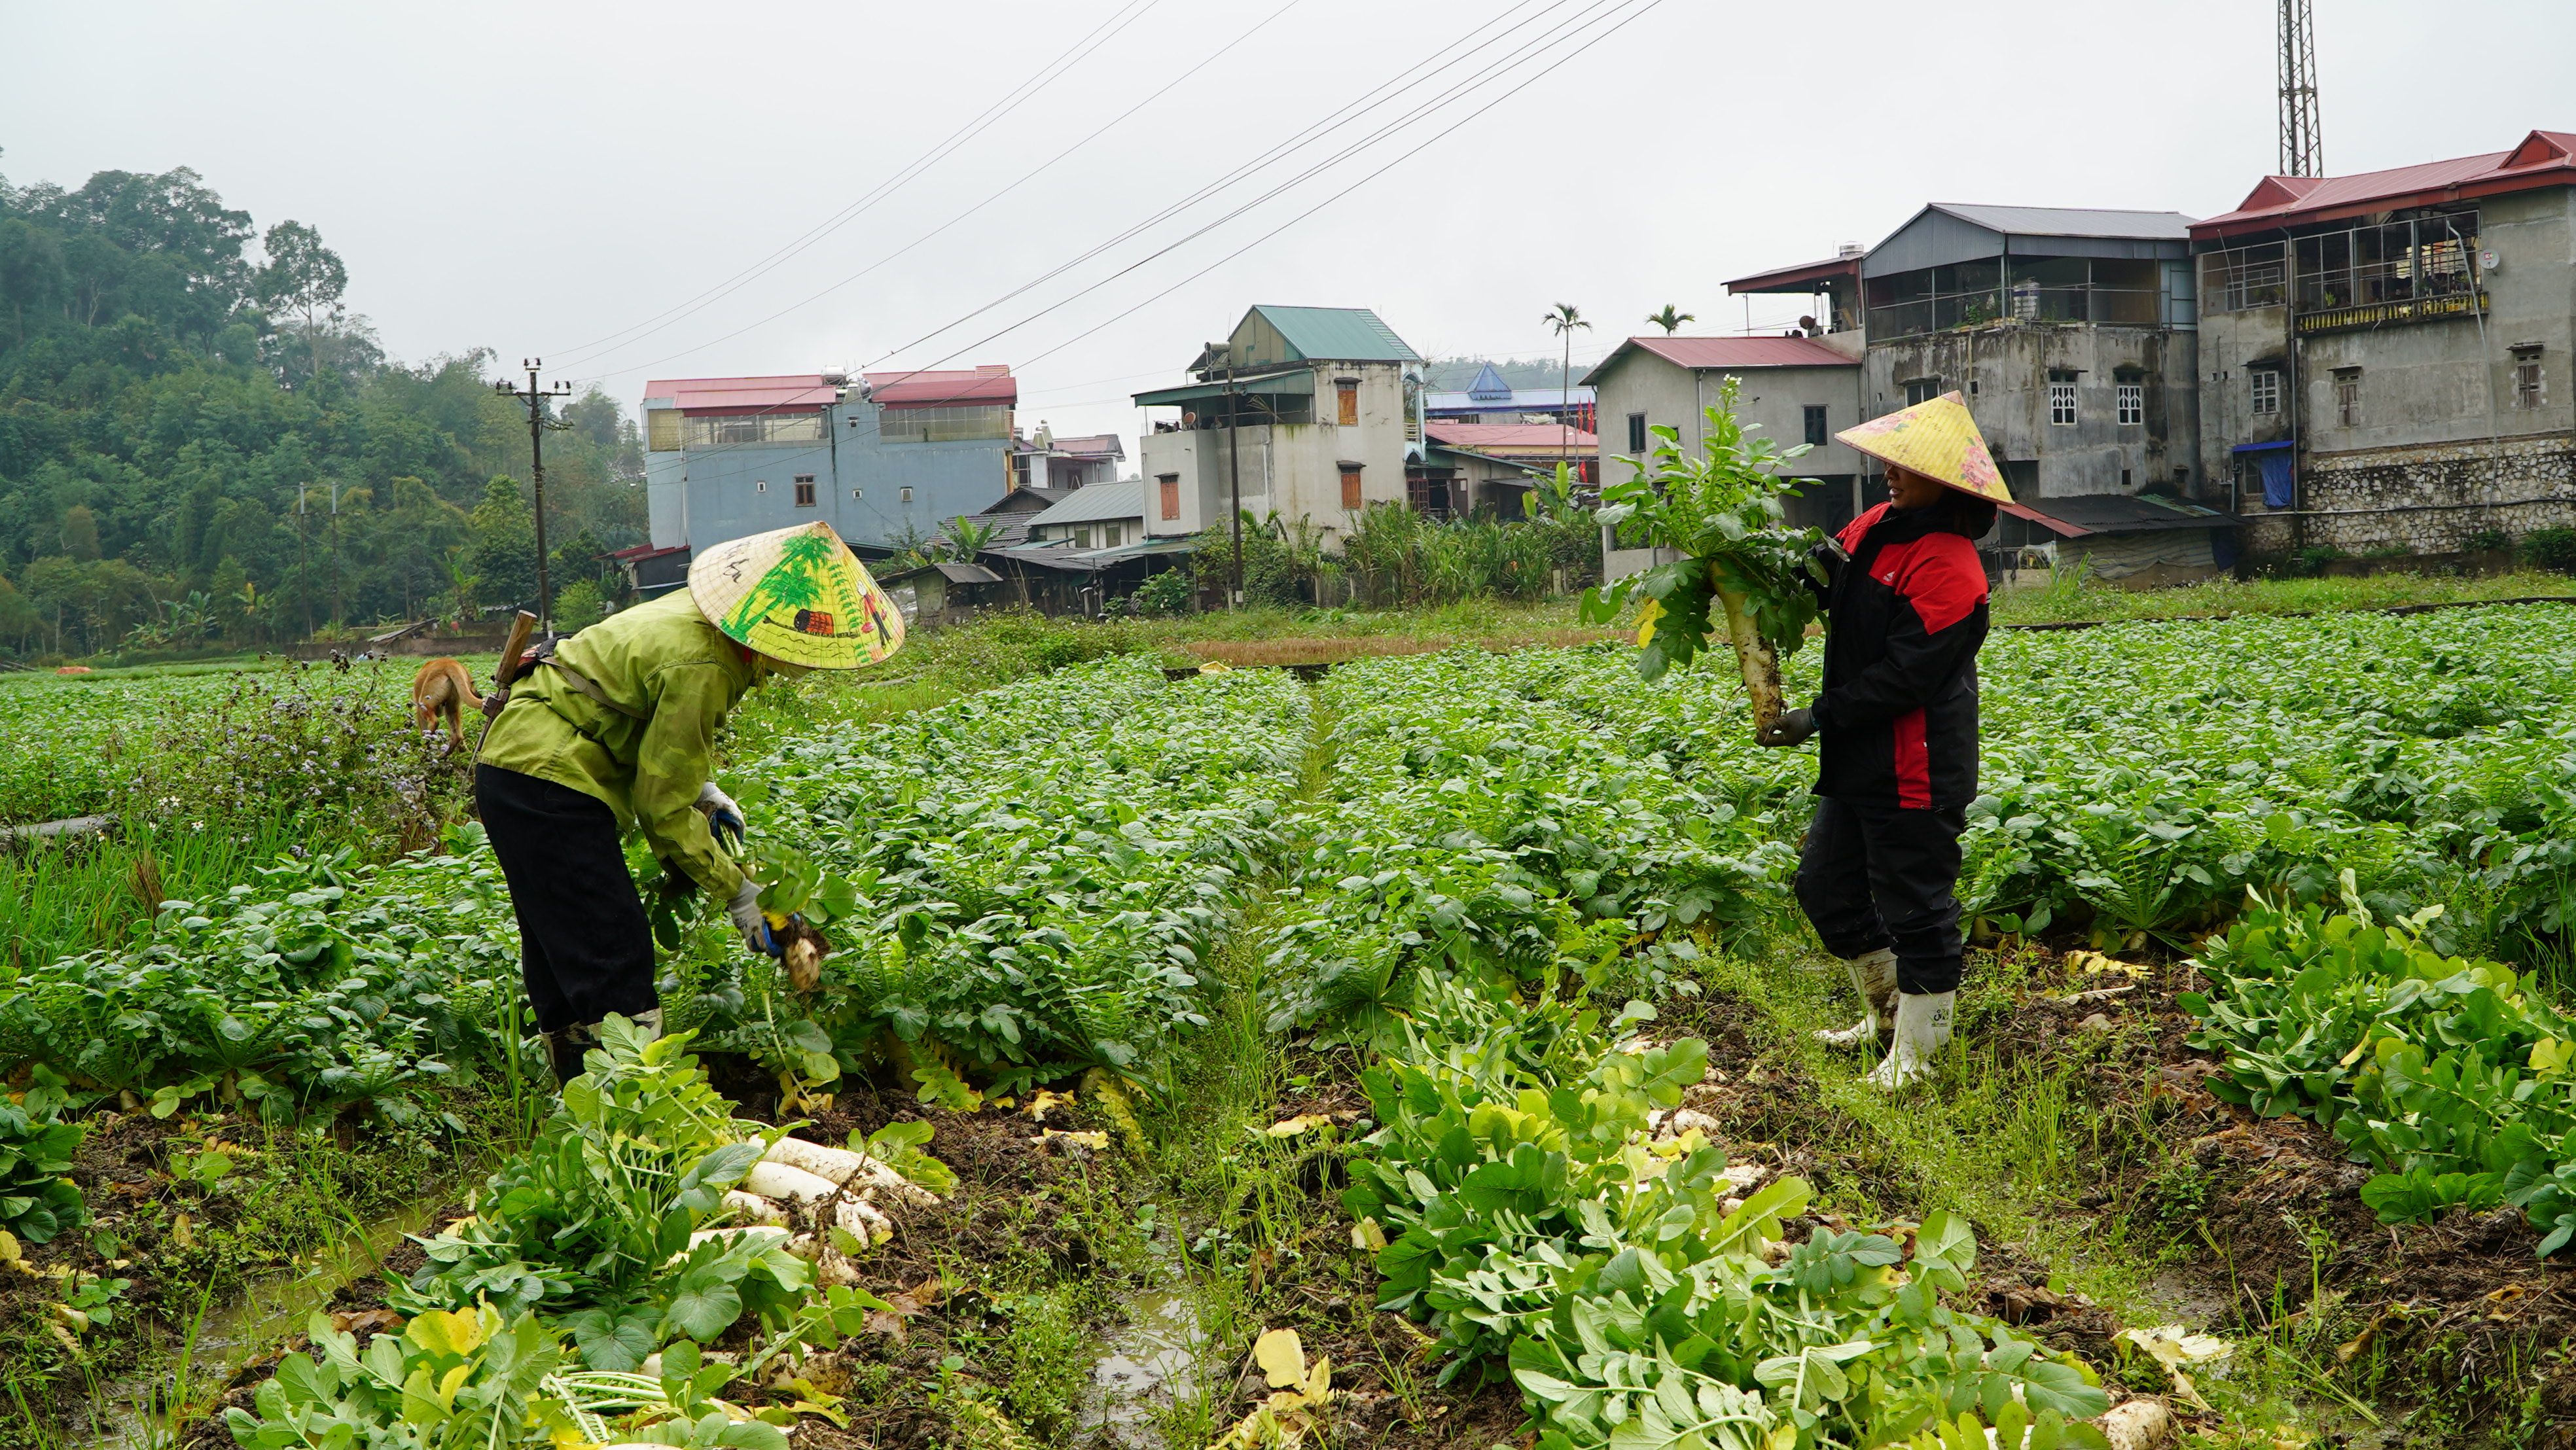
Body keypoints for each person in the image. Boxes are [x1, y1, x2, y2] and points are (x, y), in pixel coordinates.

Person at [473, 520, 904, 1080]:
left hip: (517, 767)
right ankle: (636, 1103)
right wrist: (739, 892)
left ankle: (582, 1097)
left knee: (563, 942)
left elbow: (627, 697)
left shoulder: (695, 614)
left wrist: (700, 787)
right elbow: (663, 808)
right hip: (547, 778)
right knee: (611, 946)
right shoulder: (709, 663)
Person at [1756, 391, 2009, 1089]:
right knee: (1826, 885)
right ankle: (1888, 1014)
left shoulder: (1951, 566)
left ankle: (1921, 1055)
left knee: (1917, 904)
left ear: (1947, 482)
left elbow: (1905, 679)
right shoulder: (1874, 525)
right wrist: (1754, 573)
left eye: (1906, 464)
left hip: (1915, 763)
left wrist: (1815, 716)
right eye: (1890, 460)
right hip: (1861, 754)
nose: (1889, 472)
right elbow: (1820, 574)